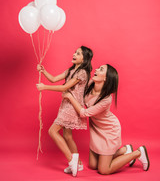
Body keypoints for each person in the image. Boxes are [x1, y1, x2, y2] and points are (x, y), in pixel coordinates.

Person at [63, 64, 150, 175]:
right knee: (93, 165)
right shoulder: (90, 84)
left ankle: (137, 153)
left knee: (104, 170)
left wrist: (69, 97)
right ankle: (125, 150)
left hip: (109, 130)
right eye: (98, 68)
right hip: (96, 128)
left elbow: (85, 113)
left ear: (105, 78)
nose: (97, 70)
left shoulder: (106, 99)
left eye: (101, 69)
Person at [36, 46, 93, 177]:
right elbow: (54, 79)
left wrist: (44, 87)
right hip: (66, 104)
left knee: (52, 131)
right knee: (67, 136)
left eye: (78, 54)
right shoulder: (71, 70)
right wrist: (44, 71)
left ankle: (71, 160)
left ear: (85, 59)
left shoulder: (82, 72)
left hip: (72, 106)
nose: (74, 54)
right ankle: (77, 163)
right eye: (75, 52)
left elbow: (65, 87)